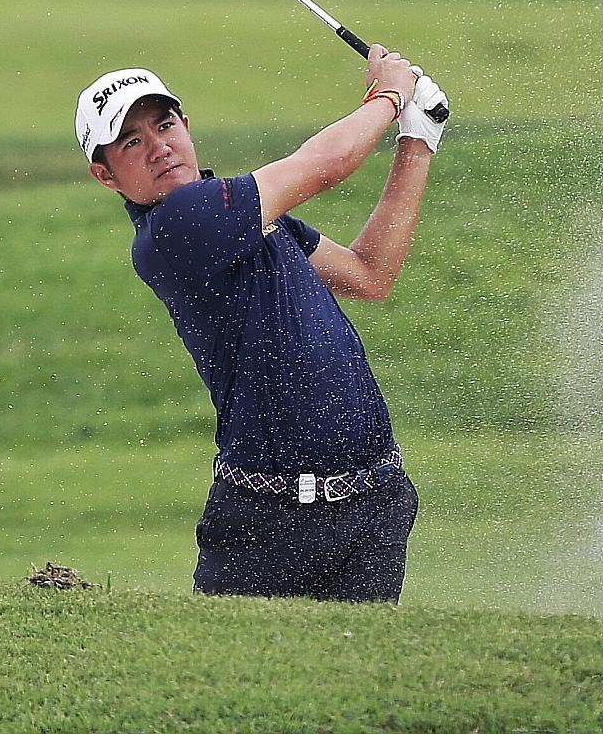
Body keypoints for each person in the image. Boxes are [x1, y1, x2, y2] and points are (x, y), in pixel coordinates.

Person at [73, 47, 447, 602]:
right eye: (131, 142)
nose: (158, 147)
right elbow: (326, 164)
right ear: (105, 175)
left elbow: (371, 274)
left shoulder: (253, 218)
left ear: (185, 125)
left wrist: (418, 139)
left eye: (164, 125)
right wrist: (390, 94)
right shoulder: (176, 226)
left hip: (374, 504)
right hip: (268, 527)